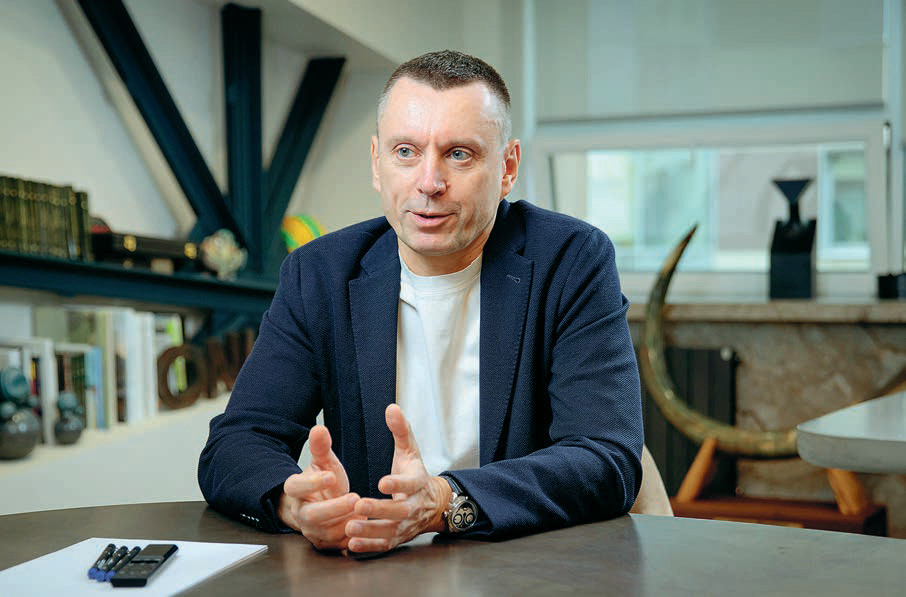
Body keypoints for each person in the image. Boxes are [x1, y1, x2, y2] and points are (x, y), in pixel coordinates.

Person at [198, 50, 643, 554]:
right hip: (375, 567)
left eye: (459, 154)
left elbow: (606, 457)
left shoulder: (572, 260)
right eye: (406, 152)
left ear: (508, 167)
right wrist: (292, 503)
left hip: (526, 566)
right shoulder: (319, 273)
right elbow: (236, 443)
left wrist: (444, 501)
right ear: (377, 163)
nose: (429, 183)